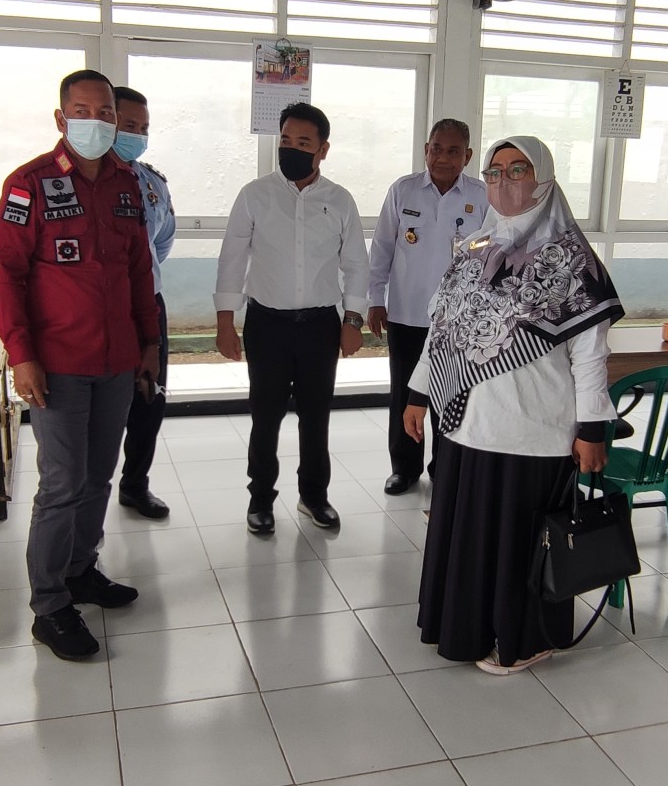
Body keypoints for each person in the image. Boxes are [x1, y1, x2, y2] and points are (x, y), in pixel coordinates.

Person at [404, 136, 624, 675]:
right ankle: (466, 629)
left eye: (518, 169)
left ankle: (526, 640)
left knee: (520, 541)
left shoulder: (572, 260)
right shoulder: (473, 250)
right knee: (470, 535)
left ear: (544, 180)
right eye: (495, 171)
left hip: (532, 427)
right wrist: (419, 393)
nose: (504, 181)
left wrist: (592, 428)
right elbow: (442, 331)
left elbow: (590, 355)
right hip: (466, 424)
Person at [0, 69, 160, 661]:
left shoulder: (125, 184)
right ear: (62, 119)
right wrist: (22, 356)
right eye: (83, 112)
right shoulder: (29, 185)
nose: (97, 121)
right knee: (62, 484)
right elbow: (8, 277)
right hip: (57, 363)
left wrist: (148, 343)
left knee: (97, 477)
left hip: (116, 359)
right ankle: (49, 605)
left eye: (105, 112)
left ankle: (80, 570)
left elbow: (139, 270)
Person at [214, 102, 369, 535]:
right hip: (267, 325)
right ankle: (260, 499)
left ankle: (314, 497)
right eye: (286, 140)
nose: (292, 149)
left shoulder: (340, 200)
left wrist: (352, 320)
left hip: (320, 326)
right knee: (265, 417)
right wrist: (225, 321)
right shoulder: (255, 195)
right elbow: (232, 258)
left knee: (316, 417)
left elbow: (357, 263)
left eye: (303, 142)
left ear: (323, 149)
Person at [368, 119, 488, 494]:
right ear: (426, 150)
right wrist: (375, 299)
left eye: (453, 151)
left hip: (458, 319)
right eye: (436, 148)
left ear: (467, 156)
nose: (443, 157)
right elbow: (382, 248)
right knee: (405, 394)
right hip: (406, 313)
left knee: (451, 394)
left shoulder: (482, 196)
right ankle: (404, 468)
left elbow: (491, 255)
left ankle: (444, 467)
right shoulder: (403, 190)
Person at [113, 86, 176, 519]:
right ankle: (82, 492)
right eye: (128, 125)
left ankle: (135, 484)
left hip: (148, 304)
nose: (137, 135)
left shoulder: (151, 182)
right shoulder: (75, 182)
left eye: (144, 128)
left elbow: (163, 240)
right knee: (97, 403)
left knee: (149, 398)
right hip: (98, 310)